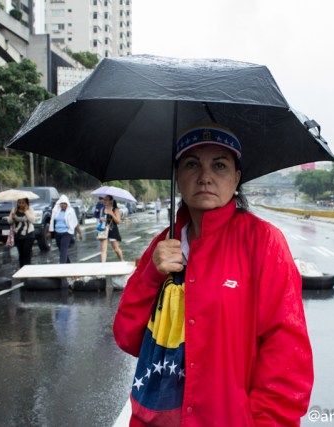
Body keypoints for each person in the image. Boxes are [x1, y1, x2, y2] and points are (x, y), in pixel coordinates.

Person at [113, 123, 313, 425]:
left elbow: (287, 355)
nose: (205, 177)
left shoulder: (263, 242)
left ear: (236, 179)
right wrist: (150, 277)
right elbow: (127, 337)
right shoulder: (163, 245)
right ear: (178, 178)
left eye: (219, 165)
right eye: (192, 164)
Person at [48, 194, 82, 263]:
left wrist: (80, 233)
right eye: (61, 204)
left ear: (67, 204)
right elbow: (51, 220)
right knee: (62, 250)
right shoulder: (56, 210)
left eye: (64, 204)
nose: (63, 205)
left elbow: (75, 223)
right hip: (57, 233)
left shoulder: (70, 211)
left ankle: (62, 268)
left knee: (63, 250)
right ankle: (68, 265)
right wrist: (49, 231)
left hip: (67, 233)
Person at [7, 198, 35, 267]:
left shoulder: (30, 209)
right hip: (18, 235)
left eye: (23, 203)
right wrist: (12, 218)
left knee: (27, 253)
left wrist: (26, 211)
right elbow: (9, 221)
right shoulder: (14, 210)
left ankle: (27, 270)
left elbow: (32, 220)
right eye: (19, 203)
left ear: (26, 203)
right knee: (21, 254)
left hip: (28, 235)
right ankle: (21, 270)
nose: (21, 204)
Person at [97, 195, 124, 262]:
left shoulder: (115, 209)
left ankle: (121, 260)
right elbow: (101, 218)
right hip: (103, 230)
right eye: (104, 199)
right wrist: (101, 219)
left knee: (116, 249)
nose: (105, 201)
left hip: (112, 230)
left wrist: (112, 214)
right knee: (103, 250)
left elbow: (118, 221)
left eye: (106, 200)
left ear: (110, 201)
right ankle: (102, 265)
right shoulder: (102, 209)